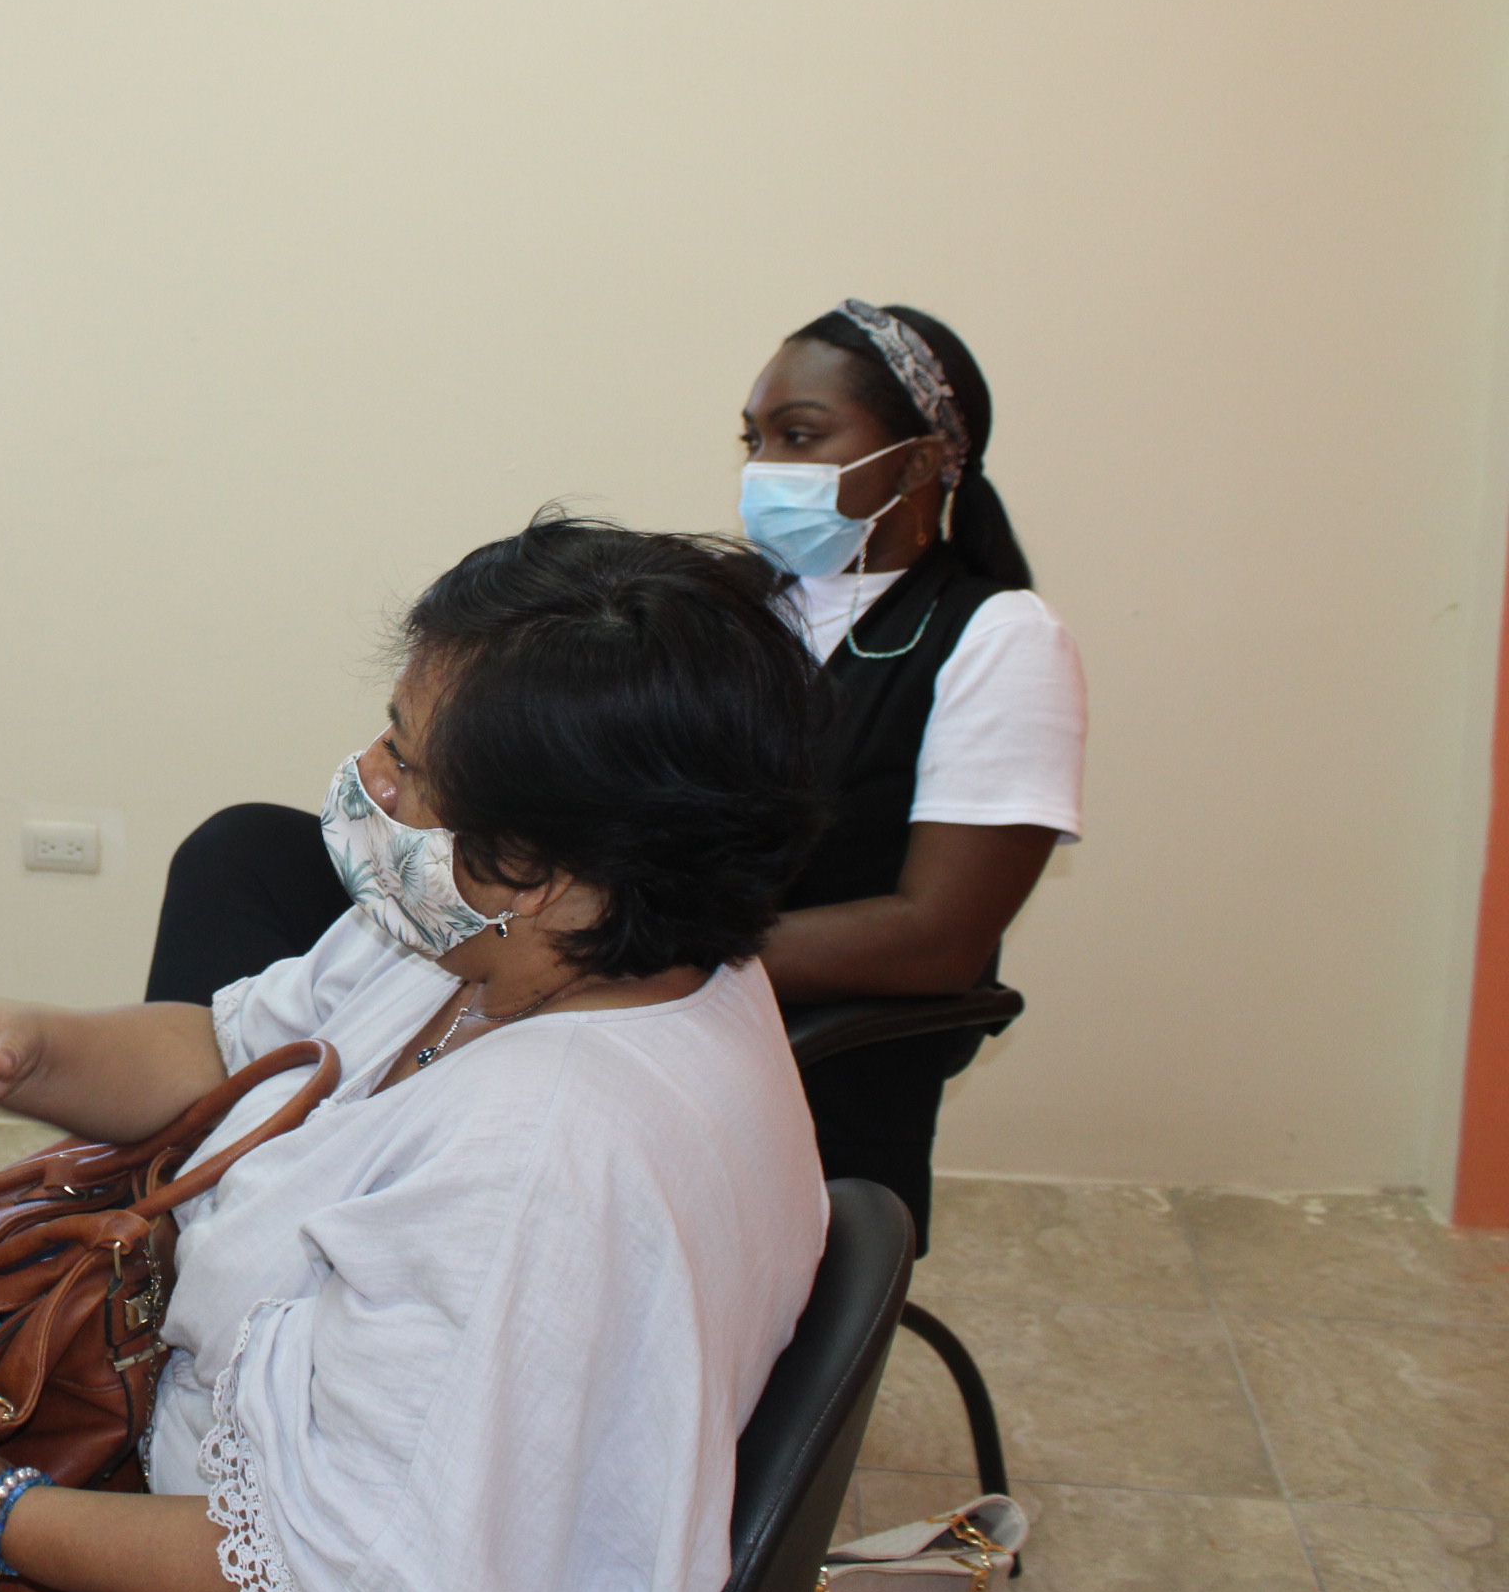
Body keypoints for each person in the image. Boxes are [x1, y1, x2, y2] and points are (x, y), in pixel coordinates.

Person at [0, 517, 832, 1592]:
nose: (369, 777)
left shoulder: (535, 1161)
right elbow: (237, 1056)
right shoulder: (504, 945)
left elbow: (334, 1581)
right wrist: (38, 1048)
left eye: (410, 767)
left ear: (545, 869)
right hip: (177, 1473)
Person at [141, 300, 1085, 1249]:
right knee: (248, 851)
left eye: (800, 437)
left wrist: (611, 945)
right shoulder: (738, 607)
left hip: (746, 1005)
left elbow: (939, 937)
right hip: (581, 933)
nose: (765, 468)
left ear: (920, 462)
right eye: (754, 440)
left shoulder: (997, 636)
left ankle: (240, 1192)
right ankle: (206, 1158)